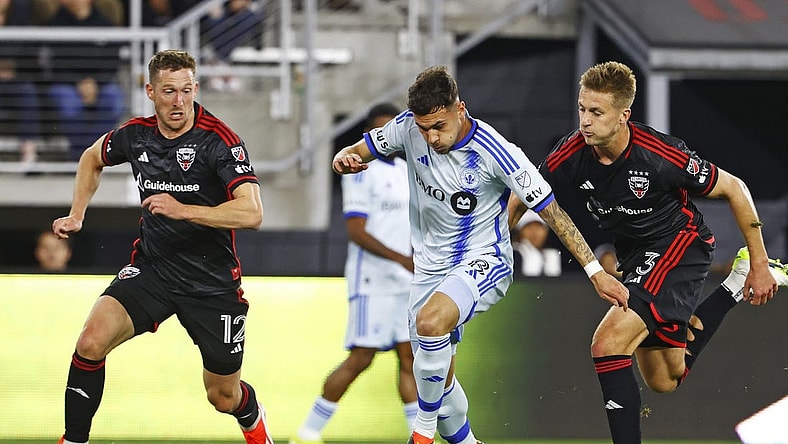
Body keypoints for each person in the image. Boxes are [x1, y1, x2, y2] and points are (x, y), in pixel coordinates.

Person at [332, 65, 628, 444]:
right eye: (424, 129)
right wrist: (346, 156)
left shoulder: (497, 151)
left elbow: (552, 211)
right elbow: (362, 149)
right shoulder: (408, 127)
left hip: (482, 259)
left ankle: (419, 436)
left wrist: (594, 270)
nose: (431, 137)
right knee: (441, 394)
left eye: (438, 126)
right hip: (429, 270)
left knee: (430, 324)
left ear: (460, 108)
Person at [509, 60, 788, 443]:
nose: (585, 121)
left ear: (623, 116)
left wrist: (759, 261)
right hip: (637, 257)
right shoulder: (572, 153)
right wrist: (496, 237)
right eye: (582, 109)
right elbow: (526, 190)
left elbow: (735, 188)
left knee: (607, 344)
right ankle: (731, 288)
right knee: (664, 379)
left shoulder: (658, 154)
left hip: (680, 247)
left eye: (596, 112)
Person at [51, 49, 272, 444]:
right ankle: (74, 440)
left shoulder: (219, 141)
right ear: (150, 91)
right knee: (90, 341)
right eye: (169, 91)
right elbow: (91, 158)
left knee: (222, 396)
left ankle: (254, 421)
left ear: (196, 88)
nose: (179, 101)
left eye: (187, 91)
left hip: (211, 283)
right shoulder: (136, 135)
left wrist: (184, 210)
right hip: (154, 269)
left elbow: (252, 213)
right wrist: (77, 214)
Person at [291, 103, 417, 443]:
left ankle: (419, 437)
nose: (386, 138)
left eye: (392, 130)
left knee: (410, 358)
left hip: (407, 282)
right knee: (361, 358)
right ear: (370, 135)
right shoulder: (359, 170)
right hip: (372, 280)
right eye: (379, 132)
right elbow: (356, 231)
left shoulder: (409, 170)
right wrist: (401, 258)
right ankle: (308, 432)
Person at [42, 0, 126, 160]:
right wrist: (78, 83)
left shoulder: (105, 24)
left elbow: (112, 62)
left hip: (100, 85)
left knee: (114, 99)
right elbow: (53, 64)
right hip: (67, 85)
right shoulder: (54, 25)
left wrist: (95, 83)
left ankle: (90, 152)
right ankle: (83, 154)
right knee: (67, 100)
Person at [0, 0, 41, 162]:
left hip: (15, 79)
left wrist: (9, 64)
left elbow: (29, 51)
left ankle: (29, 152)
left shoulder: (22, 12)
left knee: (27, 92)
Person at [510, 209, 561, 277]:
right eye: (529, 227)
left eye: (538, 227)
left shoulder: (552, 255)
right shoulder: (513, 254)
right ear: (520, 231)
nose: (534, 233)